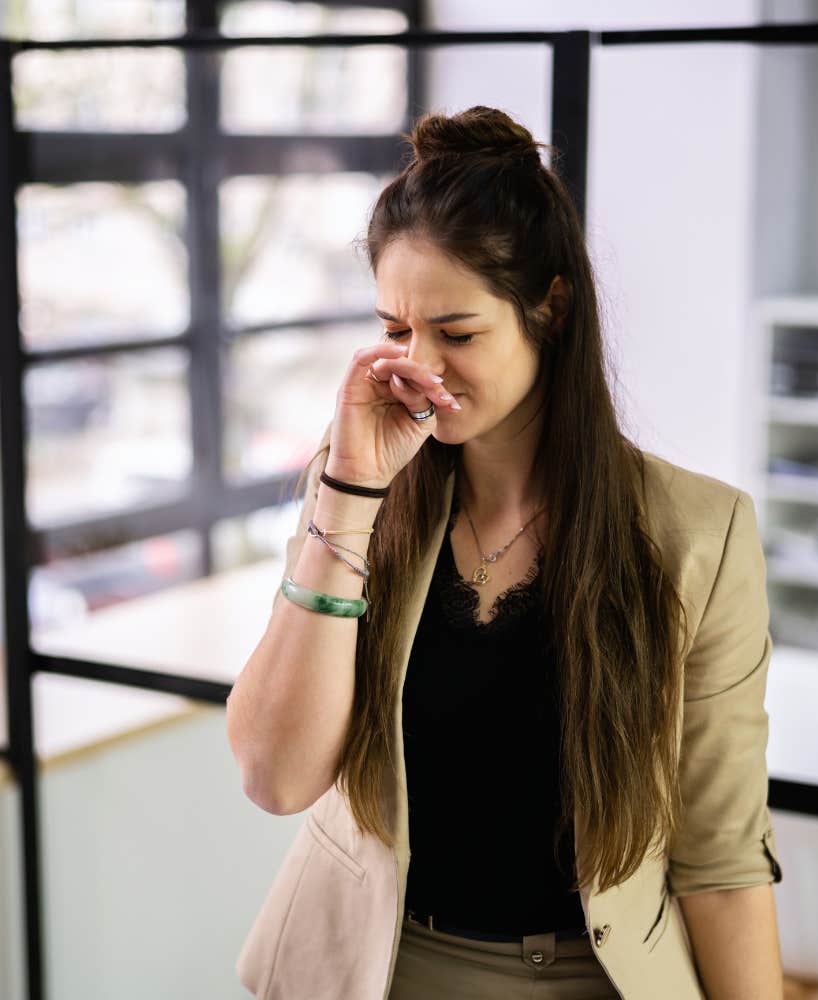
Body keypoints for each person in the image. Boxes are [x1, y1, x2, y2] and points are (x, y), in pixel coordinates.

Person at [227, 106, 784, 1000]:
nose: (421, 367)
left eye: (458, 332)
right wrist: (349, 493)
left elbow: (720, 858)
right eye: (396, 330)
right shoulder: (356, 497)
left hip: (592, 978)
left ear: (549, 310)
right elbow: (275, 775)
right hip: (378, 970)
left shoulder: (699, 533)